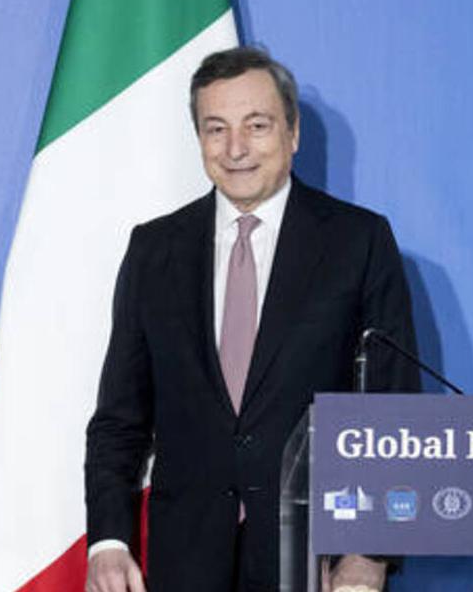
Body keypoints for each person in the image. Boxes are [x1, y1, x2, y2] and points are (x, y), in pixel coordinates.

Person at [84, 47, 419, 592]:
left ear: (293, 133)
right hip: (182, 564)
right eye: (216, 129)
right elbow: (119, 418)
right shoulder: (153, 250)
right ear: (199, 140)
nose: (235, 149)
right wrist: (109, 541)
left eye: (256, 126)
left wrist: (370, 551)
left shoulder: (359, 242)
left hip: (318, 563)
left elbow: (392, 411)